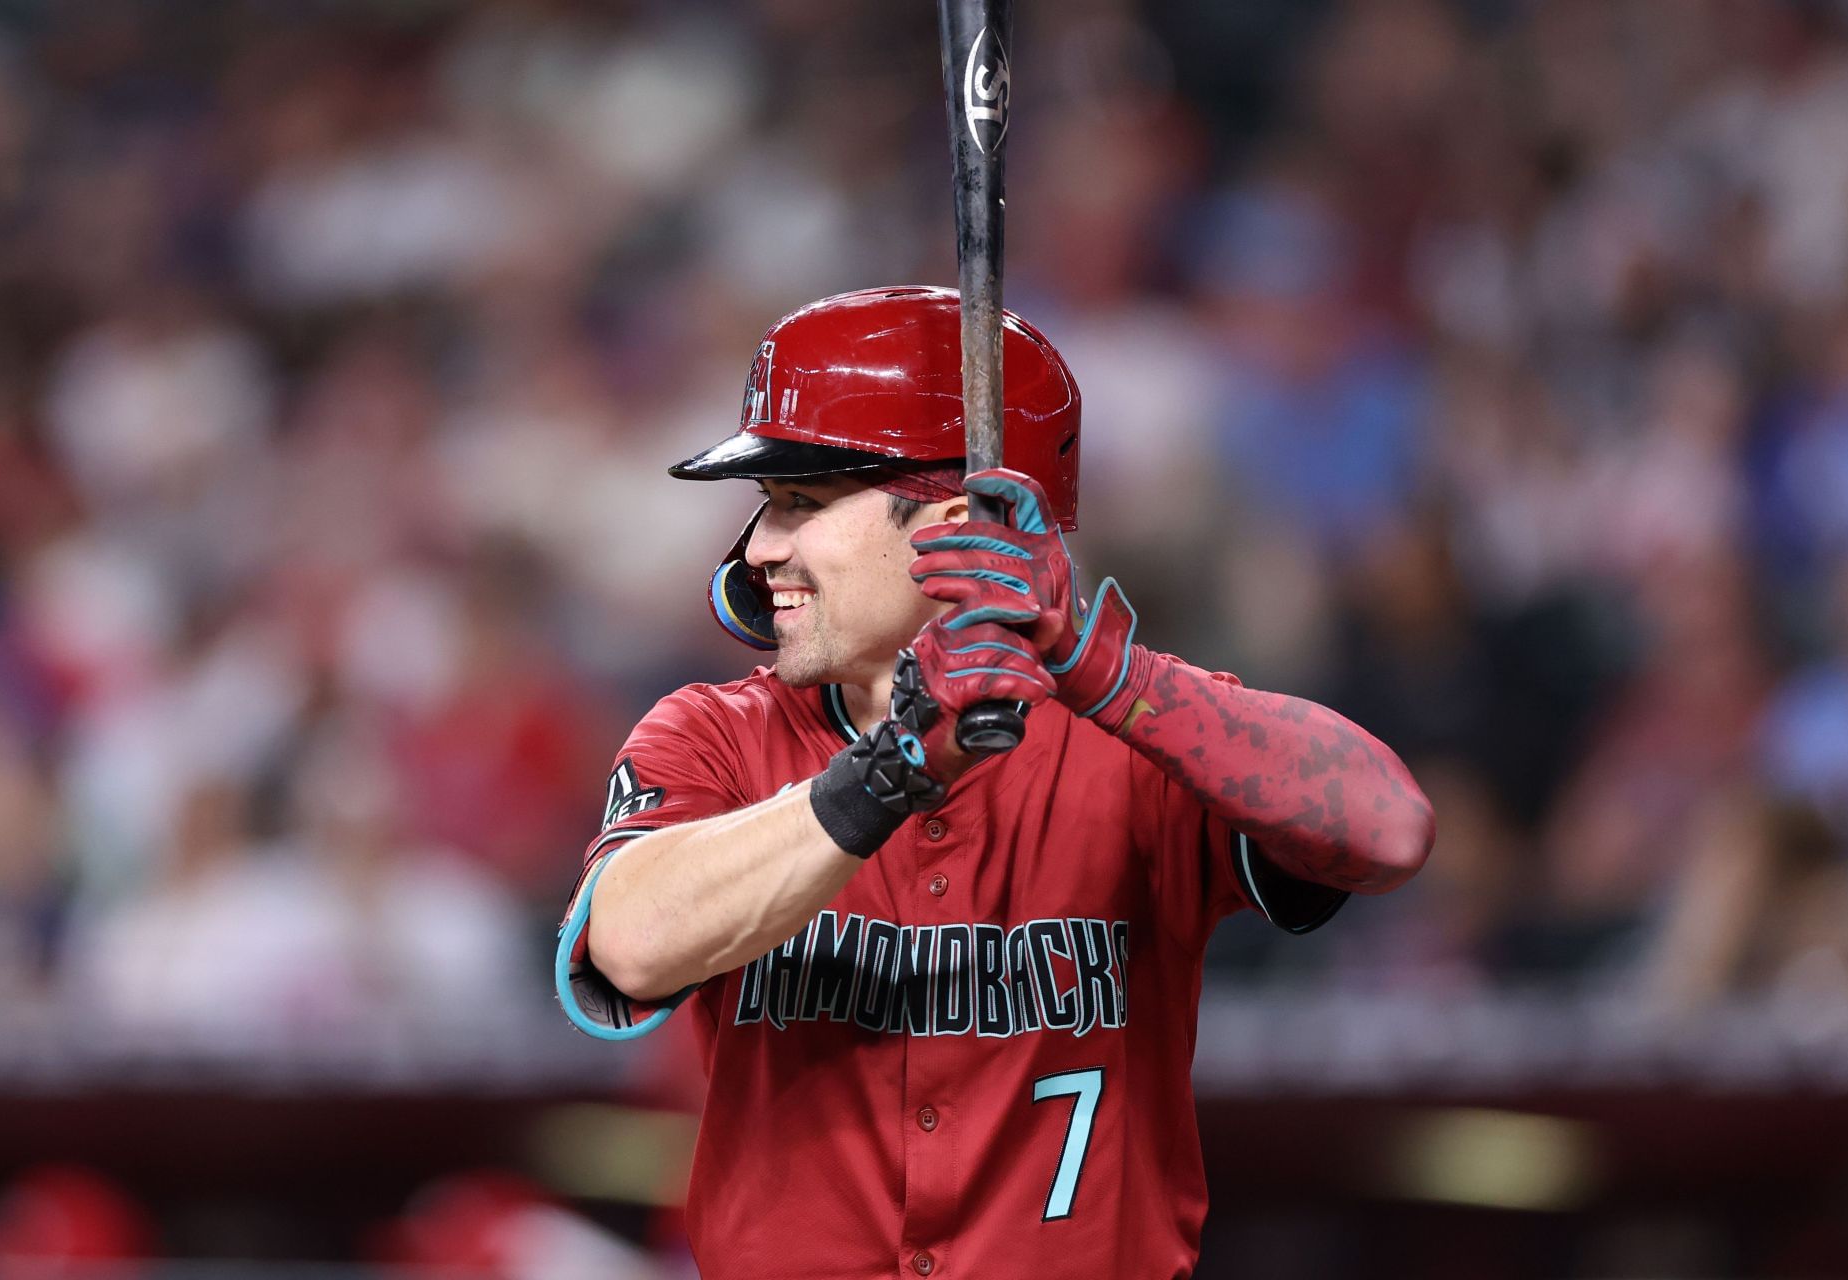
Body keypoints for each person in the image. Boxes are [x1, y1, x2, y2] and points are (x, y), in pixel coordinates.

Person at [554, 286, 1434, 1279]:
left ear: (952, 522)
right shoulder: (713, 734)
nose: (759, 547)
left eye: (801, 502)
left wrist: (1111, 674)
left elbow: (1390, 830)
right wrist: (891, 770)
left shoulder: (1140, 741)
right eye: (767, 505)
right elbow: (627, 947)